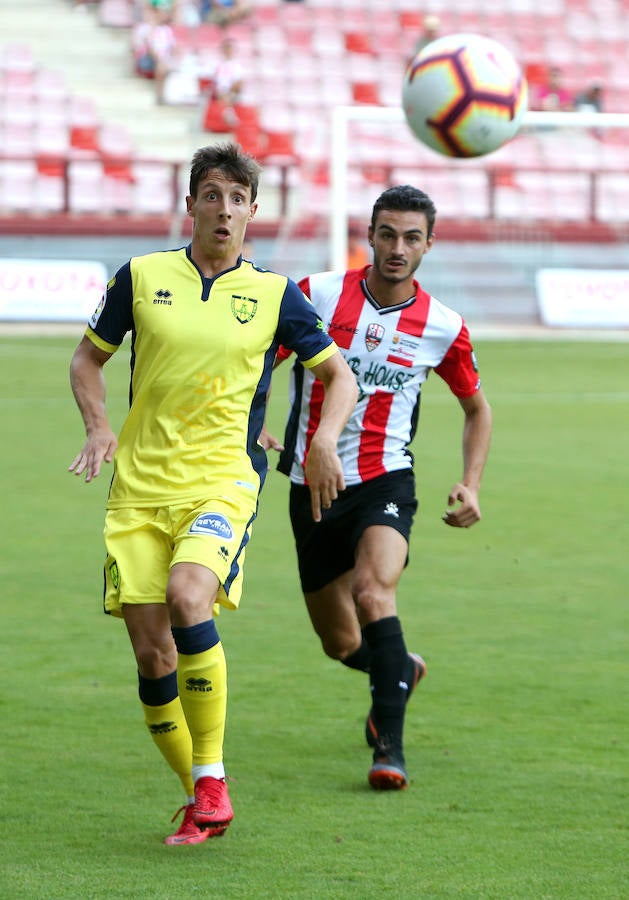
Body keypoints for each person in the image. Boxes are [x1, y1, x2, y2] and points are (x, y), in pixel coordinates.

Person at [68, 142, 358, 845]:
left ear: (252, 212)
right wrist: (100, 425)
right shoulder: (141, 276)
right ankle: (199, 798)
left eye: (237, 199)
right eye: (212, 196)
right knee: (152, 657)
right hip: (138, 489)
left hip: (221, 481)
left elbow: (339, 376)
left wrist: (323, 440)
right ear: (191, 204)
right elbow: (87, 359)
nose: (224, 210)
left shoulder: (274, 294)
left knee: (188, 596)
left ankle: (212, 777)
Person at [269, 185, 492, 791]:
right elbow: (258, 362)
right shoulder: (316, 294)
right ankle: (399, 669)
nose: (398, 248)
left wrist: (471, 483)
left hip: (385, 477)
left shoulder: (443, 326)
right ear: (369, 235)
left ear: (428, 244)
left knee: (373, 593)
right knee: (340, 642)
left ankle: (389, 750)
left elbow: (477, 409)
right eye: (387, 234)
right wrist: (255, 423)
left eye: (411, 237)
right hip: (311, 485)